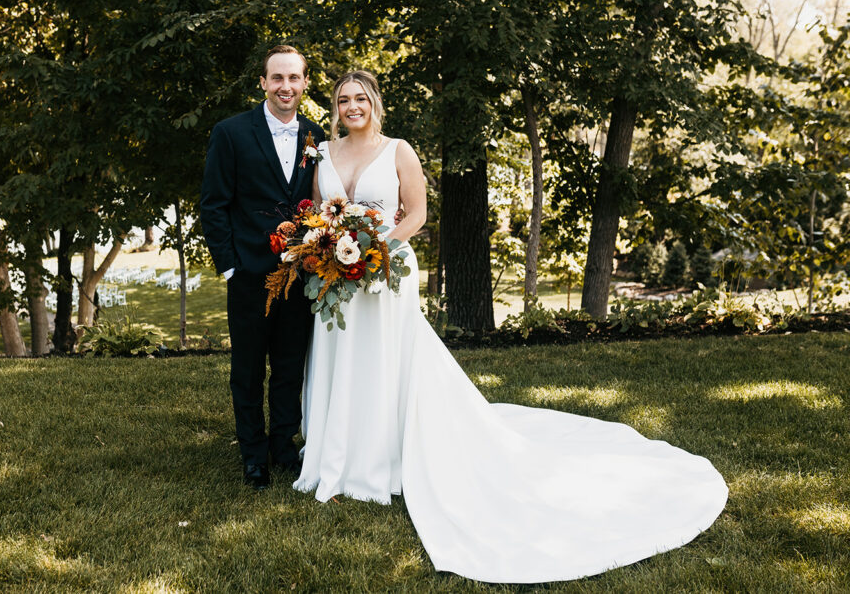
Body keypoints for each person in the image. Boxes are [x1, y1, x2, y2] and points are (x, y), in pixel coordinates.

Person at [293, 70, 729, 584]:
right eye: (343, 99)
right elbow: (322, 214)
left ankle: (380, 462)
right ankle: (335, 458)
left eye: (360, 97)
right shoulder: (325, 152)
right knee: (342, 359)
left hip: (387, 272)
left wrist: (376, 247)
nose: (351, 105)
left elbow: (417, 214)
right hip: (337, 279)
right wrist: (327, 249)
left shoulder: (398, 150)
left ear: (374, 102)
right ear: (335, 107)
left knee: (385, 363)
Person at [200, 45, 326, 490]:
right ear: (263, 82)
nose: (286, 87)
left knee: (291, 366)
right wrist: (230, 267)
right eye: (277, 78)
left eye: (294, 78)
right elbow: (214, 205)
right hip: (250, 274)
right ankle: (254, 456)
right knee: (249, 368)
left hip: (302, 273)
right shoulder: (231, 133)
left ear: (305, 83)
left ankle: (283, 447)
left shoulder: (317, 138)